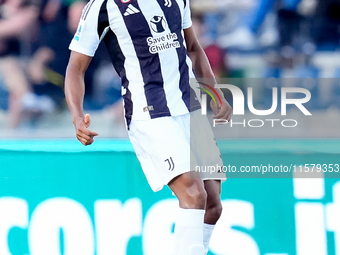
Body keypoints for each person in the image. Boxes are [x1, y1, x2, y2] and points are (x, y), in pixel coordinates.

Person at [65, 0, 232, 254]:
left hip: (190, 106)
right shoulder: (102, 7)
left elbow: (194, 48)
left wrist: (214, 92)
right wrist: (77, 116)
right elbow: (76, 68)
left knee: (212, 205)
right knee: (194, 193)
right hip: (150, 112)